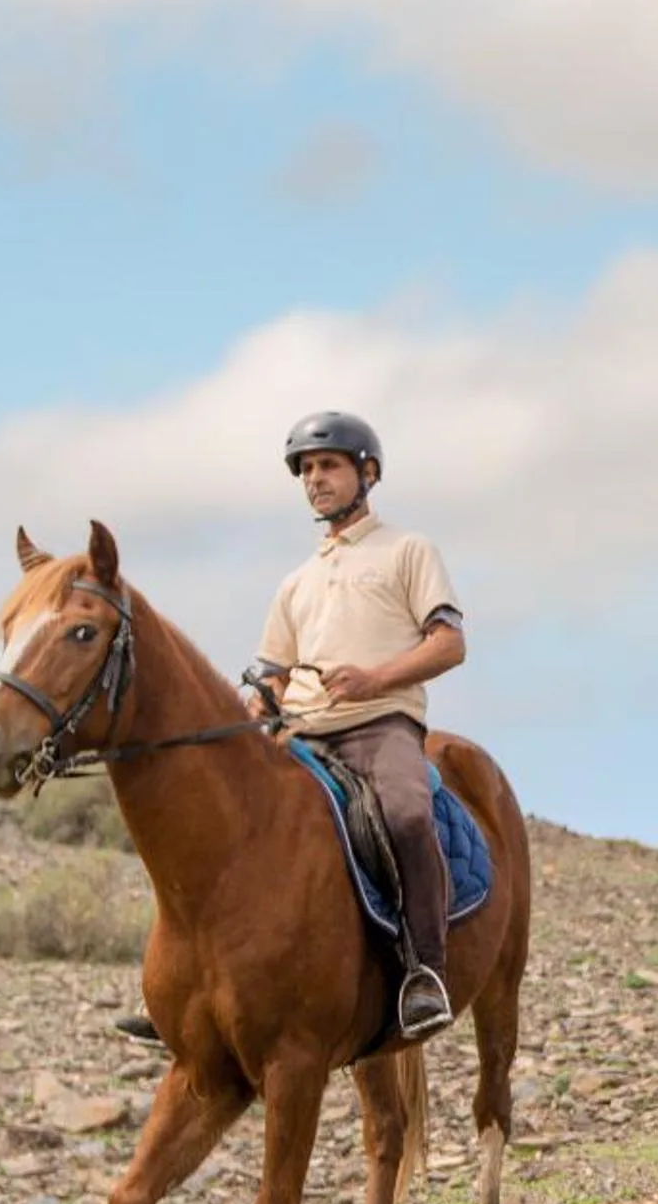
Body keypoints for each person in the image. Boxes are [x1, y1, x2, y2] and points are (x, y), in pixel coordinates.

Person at [117, 412, 467, 1049]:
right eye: (306, 470)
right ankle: (178, 990)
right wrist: (258, 703)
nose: (315, 480)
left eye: (328, 465)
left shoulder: (408, 550)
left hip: (379, 724)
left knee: (409, 813)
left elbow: (449, 644)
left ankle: (424, 973)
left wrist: (376, 678)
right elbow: (273, 673)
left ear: (367, 473)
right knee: (209, 822)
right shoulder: (296, 583)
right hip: (302, 734)